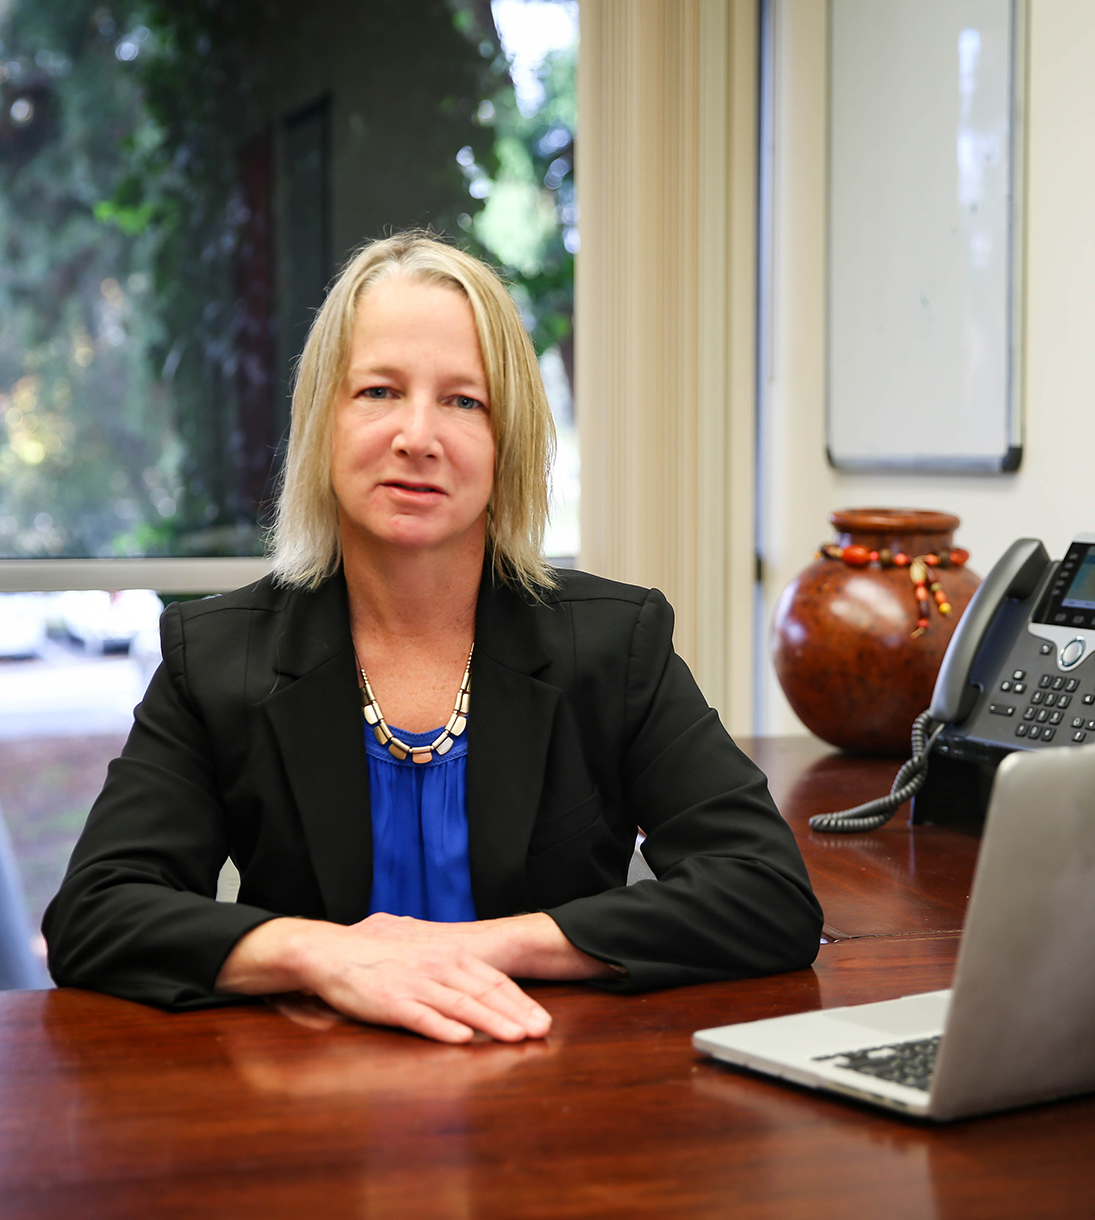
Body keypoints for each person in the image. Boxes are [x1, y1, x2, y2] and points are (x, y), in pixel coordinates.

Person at [43, 232, 822, 1043]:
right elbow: (97, 914)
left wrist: (473, 948)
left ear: (504, 445)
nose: (418, 435)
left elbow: (766, 892)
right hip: (311, 1106)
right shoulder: (214, 657)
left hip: (556, 1091)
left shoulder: (615, 644)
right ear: (323, 422)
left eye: (464, 401)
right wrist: (327, 957)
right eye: (378, 391)